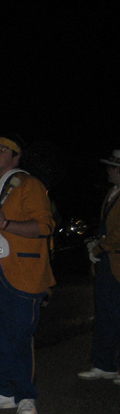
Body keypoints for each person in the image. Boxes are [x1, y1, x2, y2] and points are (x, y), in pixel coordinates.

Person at [0, 135, 56, 414]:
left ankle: (26, 396)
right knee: (1, 335)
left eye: (3, 149)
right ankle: (5, 391)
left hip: (24, 271)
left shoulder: (29, 185)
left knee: (20, 336)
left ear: (16, 157)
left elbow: (45, 226)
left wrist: (6, 223)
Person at [78, 149, 120, 381]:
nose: (108, 171)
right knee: (105, 315)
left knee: (115, 314)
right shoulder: (112, 193)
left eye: (112, 167)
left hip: (115, 261)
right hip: (108, 263)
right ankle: (104, 364)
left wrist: (98, 248)